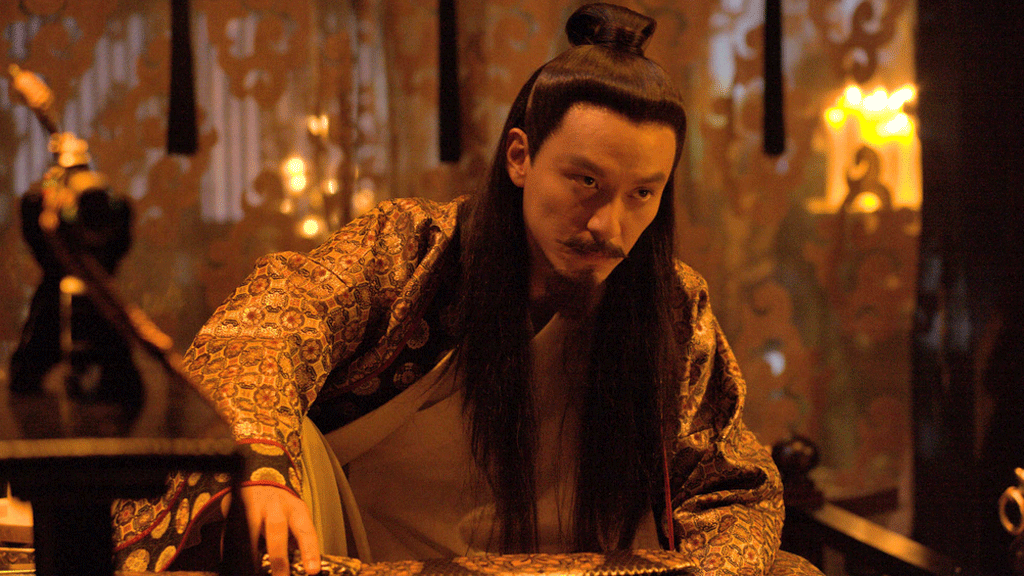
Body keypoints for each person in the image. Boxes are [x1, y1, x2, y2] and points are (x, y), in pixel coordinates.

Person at [111, 4, 819, 576]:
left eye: (643, 194)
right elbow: (269, 322)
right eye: (585, 182)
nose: (610, 224)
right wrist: (264, 467)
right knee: (240, 472)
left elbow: (733, 488)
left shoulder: (670, 305)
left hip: (594, 567)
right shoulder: (411, 250)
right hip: (365, 557)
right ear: (520, 157)